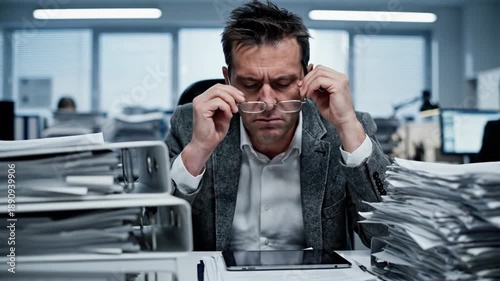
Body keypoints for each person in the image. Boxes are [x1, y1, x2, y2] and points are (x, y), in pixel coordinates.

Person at [166, 0, 390, 252]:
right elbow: (152, 235)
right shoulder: (190, 124)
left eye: (282, 83)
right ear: (228, 79)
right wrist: (198, 151)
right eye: (249, 84)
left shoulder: (345, 129)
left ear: (306, 78)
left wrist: (349, 126)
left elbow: (388, 237)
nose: (267, 102)